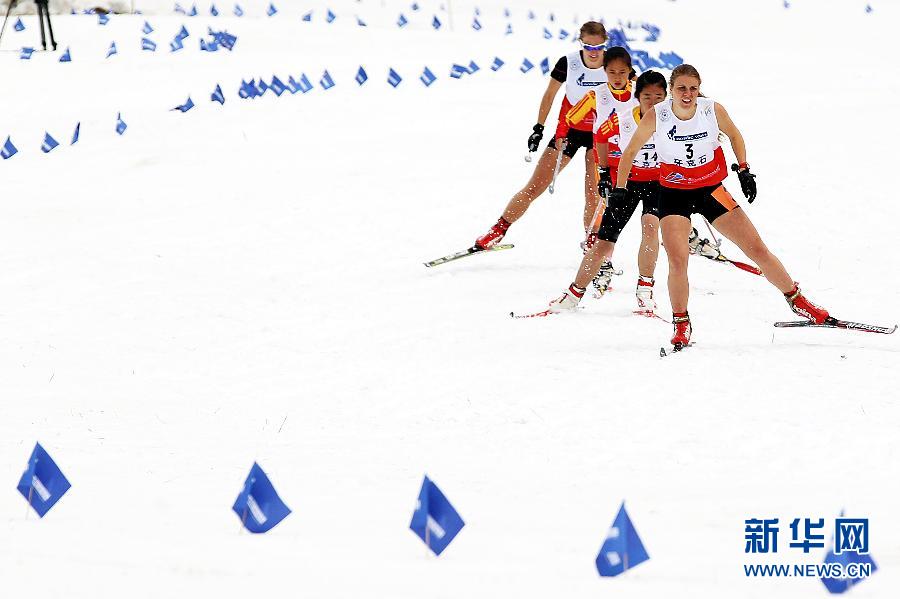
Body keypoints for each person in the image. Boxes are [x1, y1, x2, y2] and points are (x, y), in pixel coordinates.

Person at [611, 64, 830, 348]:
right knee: (678, 261)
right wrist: (619, 189)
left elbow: (735, 135)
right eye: (681, 89)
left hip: (710, 189)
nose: (687, 94)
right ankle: (681, 324)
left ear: (699, 89)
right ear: (671, 91)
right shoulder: (658, 115)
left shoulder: (711, 110)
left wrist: (744, 169)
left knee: (757, 249)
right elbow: (629, 152)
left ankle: (799, 301)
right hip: (673, 193)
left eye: (692, 88)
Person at [472, 21, 610, 250]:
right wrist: (538, 128)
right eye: (588, 47)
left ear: (605, 44)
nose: (594, 53)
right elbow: (550, 95)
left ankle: (592, 242)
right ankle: (497, 230)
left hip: (600, 136)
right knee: (535, 186)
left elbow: (630, 94)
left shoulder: (613, 63)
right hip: (569, 131)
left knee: (593, 194)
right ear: (581, 43)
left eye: (598, 47)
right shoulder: (569, 62)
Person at [549, 70, 667, 313]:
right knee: (604, 241)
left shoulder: (672, 118)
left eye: (658, 97)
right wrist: (603, 172)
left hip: (657, 183)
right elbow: (600, 135)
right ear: (638, 96)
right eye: (647, 97)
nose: (653, 102)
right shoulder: (624, 119)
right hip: (627, 183)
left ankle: (645, 291)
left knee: (651, 226)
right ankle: (573, 294)